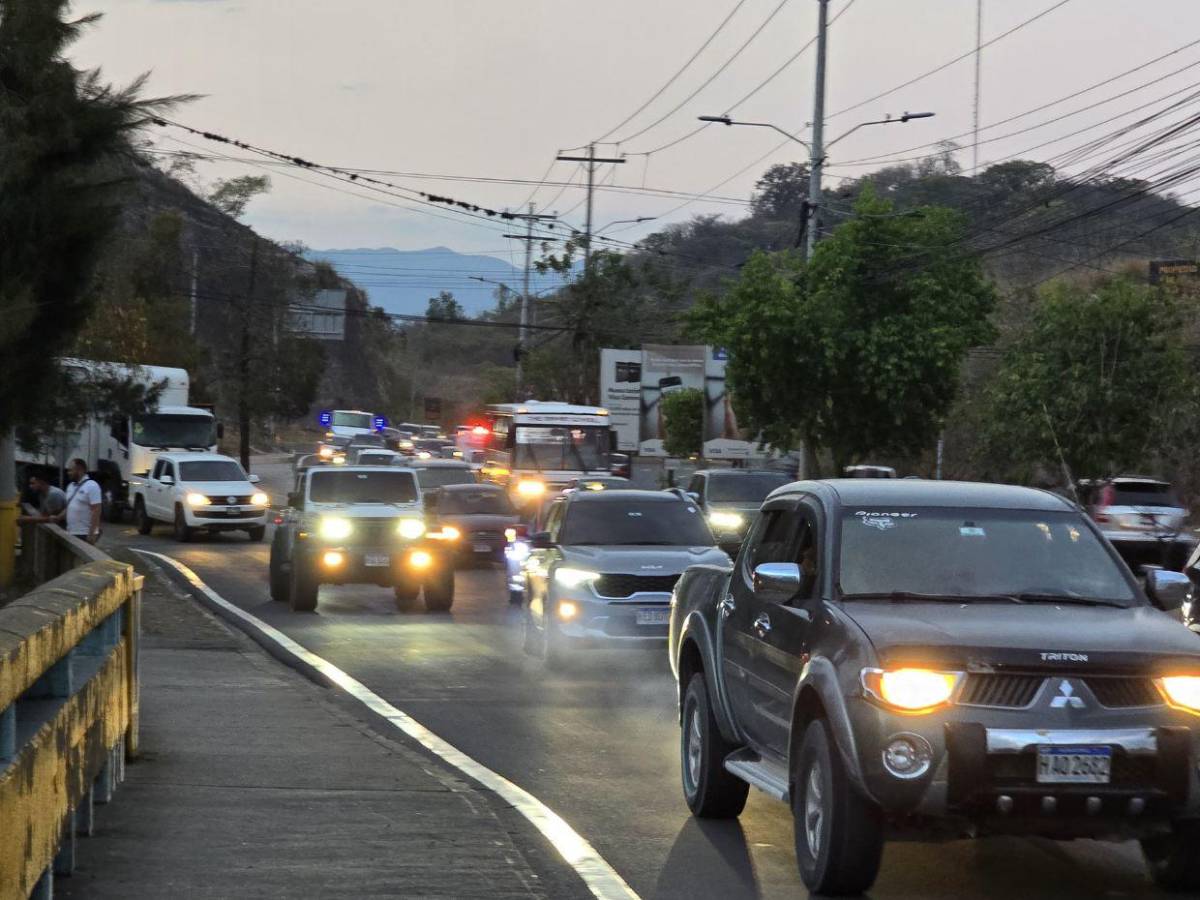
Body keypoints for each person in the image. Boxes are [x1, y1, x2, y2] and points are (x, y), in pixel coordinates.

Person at [56, 458, 102, 544]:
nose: (68, 473)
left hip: (84, 533)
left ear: (80, 470)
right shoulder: (70, 486)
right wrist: (58, 517)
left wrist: (91, 533)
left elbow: (96, 510)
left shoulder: (92, 485)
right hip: (71, 531)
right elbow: (69, 507)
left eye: (70, 470)